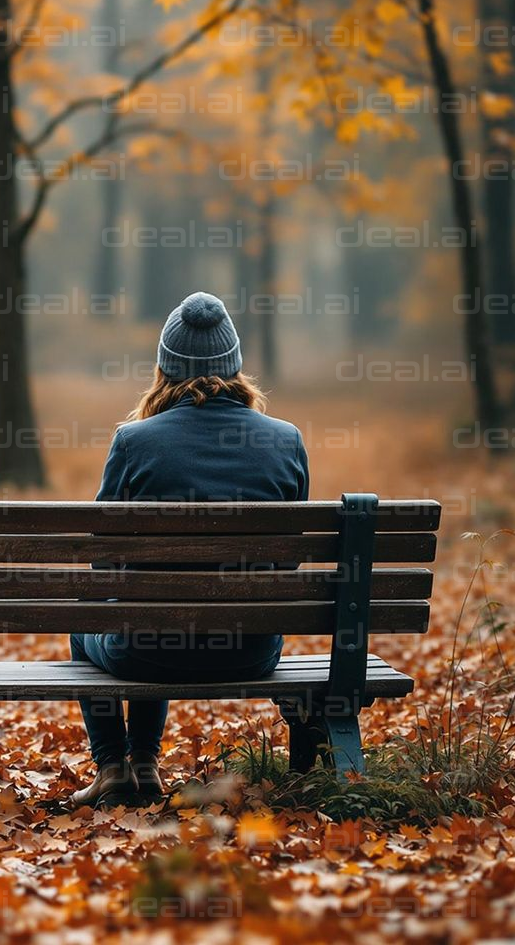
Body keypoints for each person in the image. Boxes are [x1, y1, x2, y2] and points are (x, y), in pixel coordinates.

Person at [69, 292, 309, 808]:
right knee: (149, 613)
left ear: (164, 366)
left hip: (147, 653)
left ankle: (117, 765)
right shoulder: (286, 440)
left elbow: (101, 560)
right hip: (250, 651)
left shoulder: (134, 441)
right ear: (236, 365)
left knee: (95, 610)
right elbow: (288, 563)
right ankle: (146, 763)